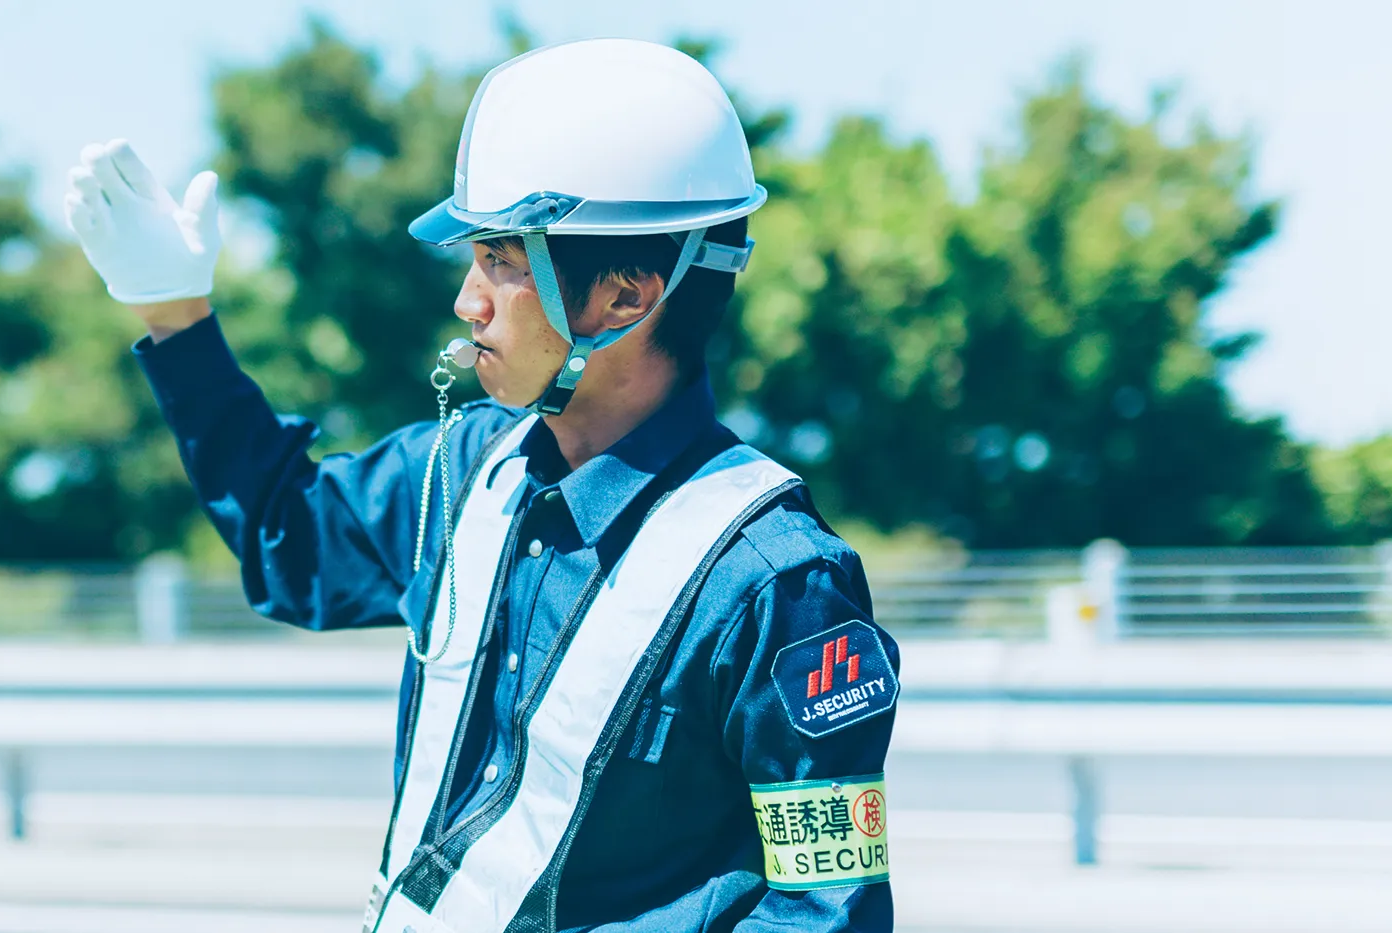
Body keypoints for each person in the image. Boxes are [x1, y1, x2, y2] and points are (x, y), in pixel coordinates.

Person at [65, 37, 897, 933]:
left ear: (626, 296)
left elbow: (825, 910)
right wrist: (177, 321)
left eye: (503, 260)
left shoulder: (776, 581)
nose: (468, 300)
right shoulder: (466, 473)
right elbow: (294, 546)